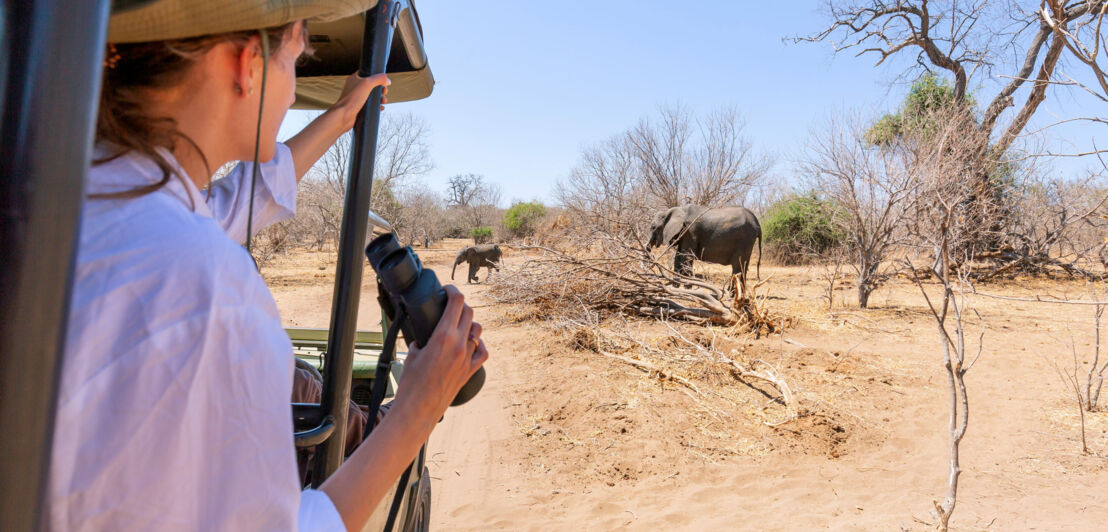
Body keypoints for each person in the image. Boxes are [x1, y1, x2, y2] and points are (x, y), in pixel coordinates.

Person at [48, 13, 487, 532]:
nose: (294, 84)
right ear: (247, 62)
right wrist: (418, 407)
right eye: (296, 58)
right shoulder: (204, 284)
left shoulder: (75, 201)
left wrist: (342, 114)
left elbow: (235, 202)